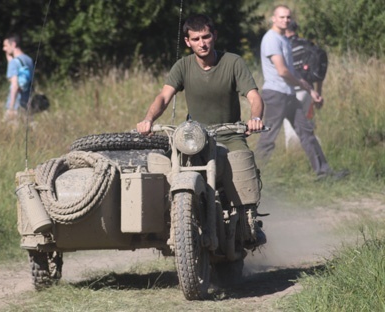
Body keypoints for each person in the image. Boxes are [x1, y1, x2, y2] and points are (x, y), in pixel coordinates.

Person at [137, 14, 266, 248]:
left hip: (230, 134)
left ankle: (249, 220)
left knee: (240, 162)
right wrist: (148, 119)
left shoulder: (233, 62)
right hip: (194, 137)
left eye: (206, 36)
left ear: (214, 36)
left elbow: (254, 96)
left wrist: (255, 118)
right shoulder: (183, 66)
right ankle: (170, 219)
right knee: (164, 166)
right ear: (188, 42)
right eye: (196, 39)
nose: (202, 43)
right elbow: (164, 97)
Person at [256, 5, 348, 180]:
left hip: (289, 94)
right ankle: (252, 177)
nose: (285, 20)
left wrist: (311, 91)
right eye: (282, 17)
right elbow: (282, 71)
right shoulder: (271, 39)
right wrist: (299, 83)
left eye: (288, 17)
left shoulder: (284, 40)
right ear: (273, 19)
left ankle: (324, 173)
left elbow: (293, 71)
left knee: (306, 132)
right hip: (276, 94)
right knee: (268, 138)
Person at [282, 20, 322, 149]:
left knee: (290, 128)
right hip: (309, 93)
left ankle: (293, 159)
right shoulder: (308, 45)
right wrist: (317, 93)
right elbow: (318, 71)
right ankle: (312, 154)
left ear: (286, 30)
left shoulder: (285, 45)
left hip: (292, 92)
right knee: (307, 125)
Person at [2, 34, 33, 121]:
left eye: (6, 45)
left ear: (13, 44)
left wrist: (11, 107)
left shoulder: (14, 63)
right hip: (27, 104)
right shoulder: (29, 60)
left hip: (16, 105)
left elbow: (14, 85)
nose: (4, 49)